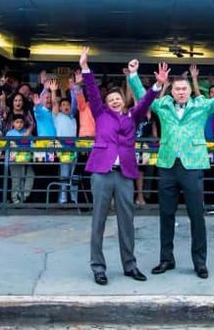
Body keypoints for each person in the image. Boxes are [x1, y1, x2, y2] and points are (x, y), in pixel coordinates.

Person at [149, 67, 214, 280]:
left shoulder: (200, 104)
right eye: (177, 89)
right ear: (172, 91)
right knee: (166, 215)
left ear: (189, 90)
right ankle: (166, 259)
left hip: (192, 166)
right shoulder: (162, 105)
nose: (181, 92)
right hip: (168, 166)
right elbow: (143, 98)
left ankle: (200, 262)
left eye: (184, 88)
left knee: (196, 216)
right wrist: (134, 77)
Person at [82, 49, 161, 285]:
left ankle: (130, 265)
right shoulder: (100, 113)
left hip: (125, 175)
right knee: (98, 221)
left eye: (118, 98)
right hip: (102, 173)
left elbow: (145, 101)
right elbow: (93, 92)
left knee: (127, 222)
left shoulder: (131, 118)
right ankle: (98, 268)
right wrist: (86, 67)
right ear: (106, 104)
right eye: (111, 99)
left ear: (123, 101)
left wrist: (157, 85)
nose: (115, 100)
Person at [52, 79, 79, 205]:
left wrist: (73, 89)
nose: (66, 106)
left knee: (74, 175)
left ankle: (74, 199)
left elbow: (74, 103)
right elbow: (54, 102)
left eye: (67, 104)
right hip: (63, 147)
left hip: (74, 147)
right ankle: (63, 199)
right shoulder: (57, 116)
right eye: (63, 105)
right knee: (64, 174)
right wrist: (53, 91)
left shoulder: (73, 118)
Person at [5, 115, 34, 204]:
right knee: (16, 179)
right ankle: (15, 199)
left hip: (26, 159)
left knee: (30, 175)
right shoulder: (10, 133)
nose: (19, 124)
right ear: (13, 123)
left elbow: (32, 145)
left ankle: (23, 195)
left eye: (21, 122)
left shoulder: (27, 132)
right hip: (14, 160)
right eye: (17, 122)